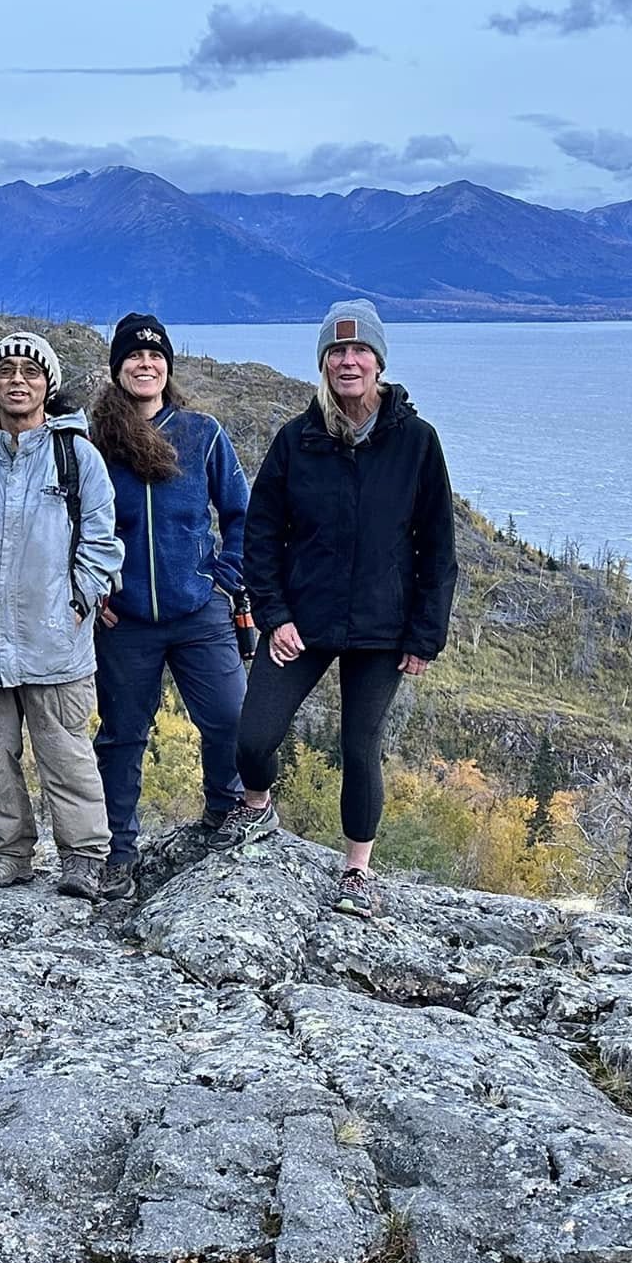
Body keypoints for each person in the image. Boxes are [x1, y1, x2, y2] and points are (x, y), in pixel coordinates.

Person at [209, 299, 459, 920]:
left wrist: (424, 635)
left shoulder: (417, 443)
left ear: (378, 362)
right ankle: (259, 805)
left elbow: (439, 547)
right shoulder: (298, 440)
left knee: (359, 745)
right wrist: (275, 615)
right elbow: (259, 533)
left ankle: (356, 868)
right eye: (337, 352)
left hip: (382, 628)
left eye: (360, 351)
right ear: (324, 363)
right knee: (253, 737)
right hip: (304, 622)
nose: (349, 361)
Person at [0, 330, 124, 900]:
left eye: (30, 372)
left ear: (48, 385)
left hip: (56, 637)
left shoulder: (76, 455)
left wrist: (78, 600)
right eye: (6, 370)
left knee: (66, 753)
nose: (17, 380)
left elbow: (103, 540)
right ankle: (10, 852)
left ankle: (84, 856)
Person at [88, 313, 251, 899]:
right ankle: (118, 852)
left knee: (231, 718)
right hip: (124, 619)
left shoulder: (201, 433)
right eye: (133, 356)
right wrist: (92, 587)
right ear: (118, 368)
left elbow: (240, 515)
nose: (145, 363)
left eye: (155, 355)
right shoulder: (94, 439)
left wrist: (224, 580)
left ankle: (223, 814)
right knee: (123, 736)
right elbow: (69, 524)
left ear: (168, 367)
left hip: (198, 611)